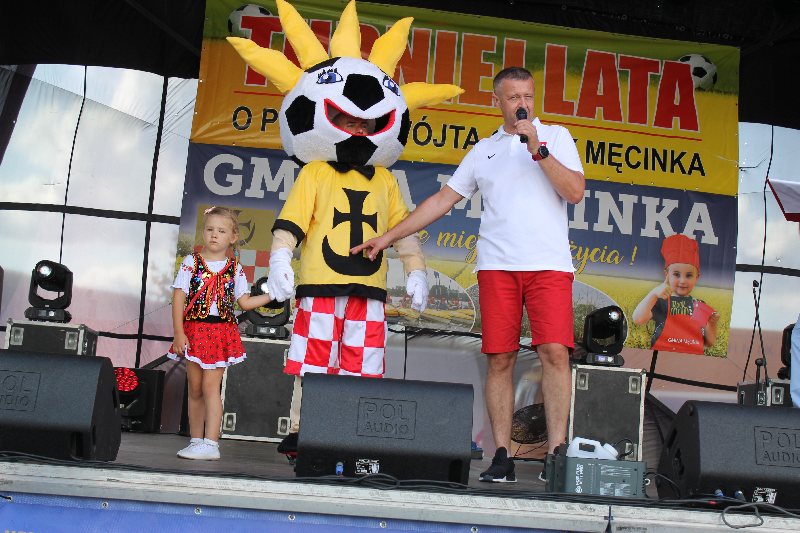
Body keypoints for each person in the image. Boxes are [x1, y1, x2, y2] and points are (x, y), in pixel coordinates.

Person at [352, 66, 585, 483]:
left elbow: (574, 191)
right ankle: (502, 455)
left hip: (548, 265)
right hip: (497, 267)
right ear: (497, 102)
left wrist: (539, 149)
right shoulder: (483, 151)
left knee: (555, 352)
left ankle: (557, 454)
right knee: (500, 357)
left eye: (528, 96)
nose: (522, 104)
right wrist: (388, 237)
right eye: (513, 97)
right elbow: (442, 200)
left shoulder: (557, 136)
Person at [269, 110, 429, 456]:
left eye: (365, 125)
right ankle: (304, 430)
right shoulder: (315, 171)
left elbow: (402, 229)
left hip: (369, 289)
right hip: (320, 285)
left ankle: (351, 435)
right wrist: (280, 257)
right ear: (334, 126)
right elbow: (293, 220)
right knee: (313, 363)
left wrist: (416, 269)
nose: (358, 130)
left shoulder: (385, 179)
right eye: (350, 123)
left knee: (363, 365)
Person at [169, 206, 274, 460]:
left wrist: (272, 295)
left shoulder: (235, 268)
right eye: (209, 229)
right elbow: (178, 298)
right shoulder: (191, 263)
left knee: (210, 387)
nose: (214, 235)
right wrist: (179, 333)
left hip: (220, 333)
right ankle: (196, 441)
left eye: (221, 231)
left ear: (233, 237)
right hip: (194, 331)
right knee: (194, 388)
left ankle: (211, 443)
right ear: (203, 232)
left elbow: (245, 302)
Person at [632, 234, 719, 355]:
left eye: (689, 275)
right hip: (662, 357)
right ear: (667, 275)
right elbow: (638, 319)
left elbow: (709, 343)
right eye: (676, 274)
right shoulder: (661, 301)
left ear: (697, 277)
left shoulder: (700, 305)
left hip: (692, 360)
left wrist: (712, 324)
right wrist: (653, 293)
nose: (682, 281)